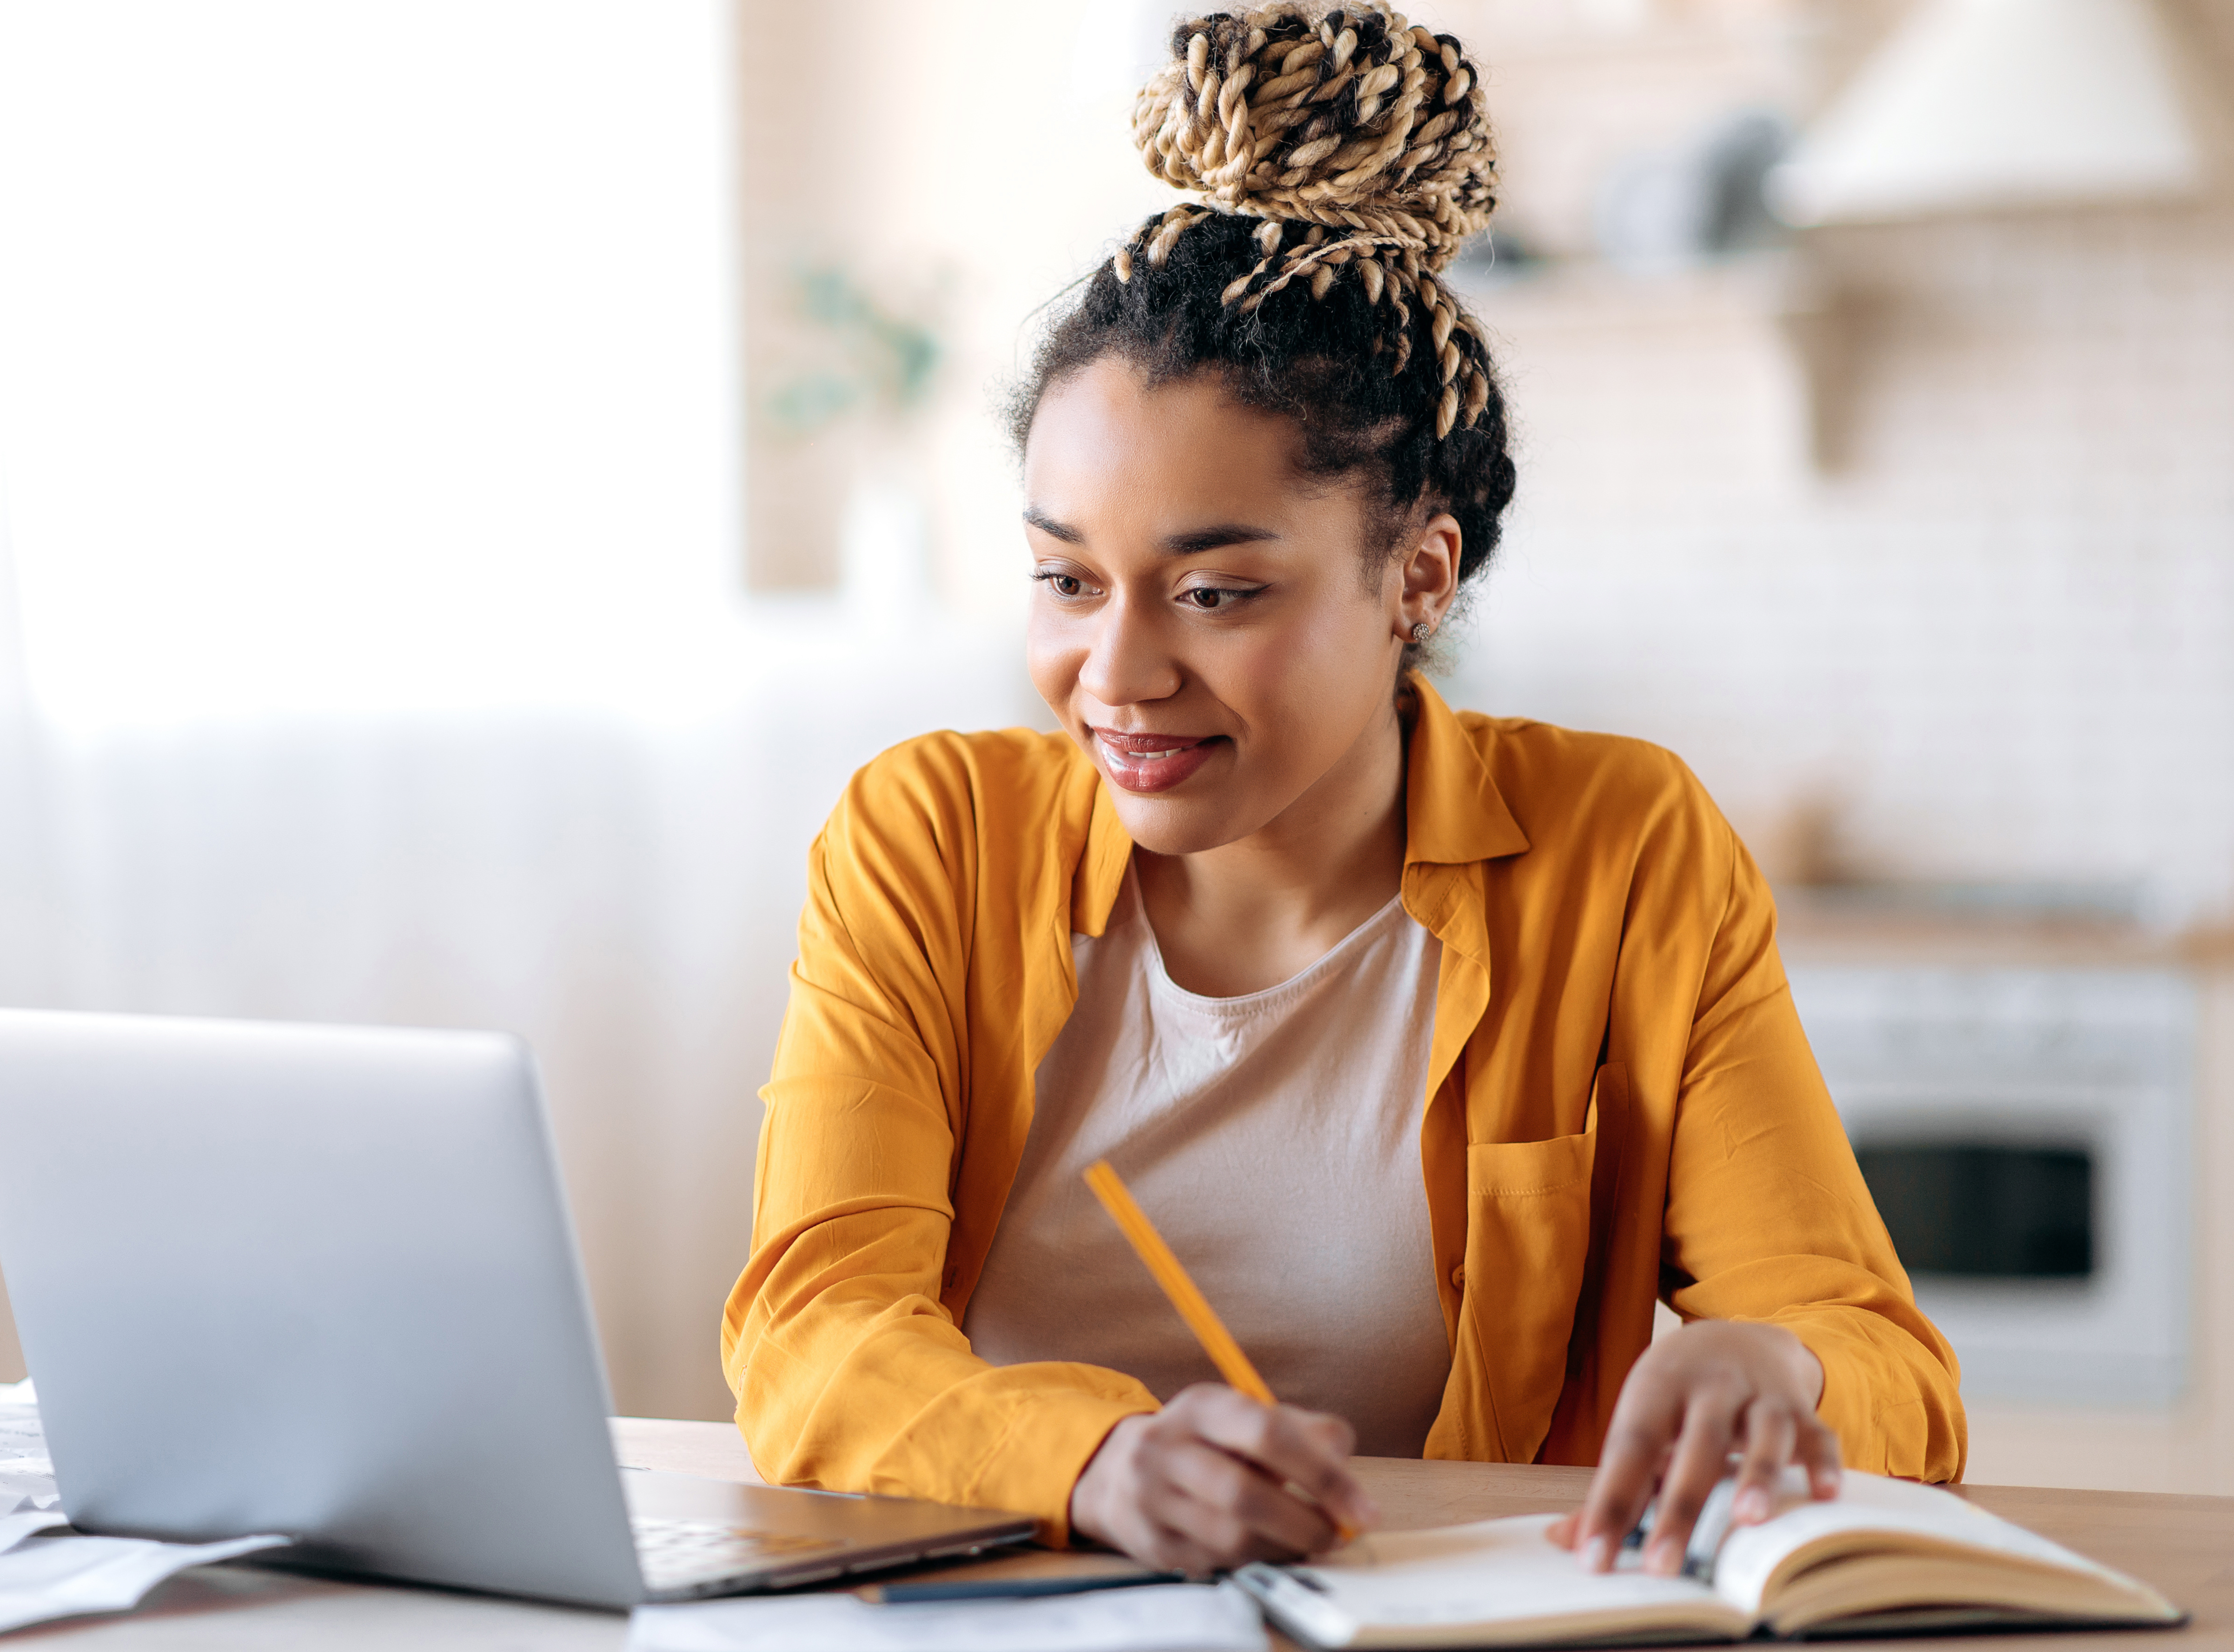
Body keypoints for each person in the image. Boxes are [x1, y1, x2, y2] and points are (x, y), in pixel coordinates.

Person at [721, 0, 1963, 1579]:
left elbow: (1888, 1365)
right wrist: (1092, 1462)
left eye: (1217, 594)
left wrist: (1783, 1369)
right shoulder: (929, 839)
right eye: (1064, 579)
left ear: (1416, 577)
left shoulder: (1622, 849)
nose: (1118, 672)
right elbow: (808, 1330)